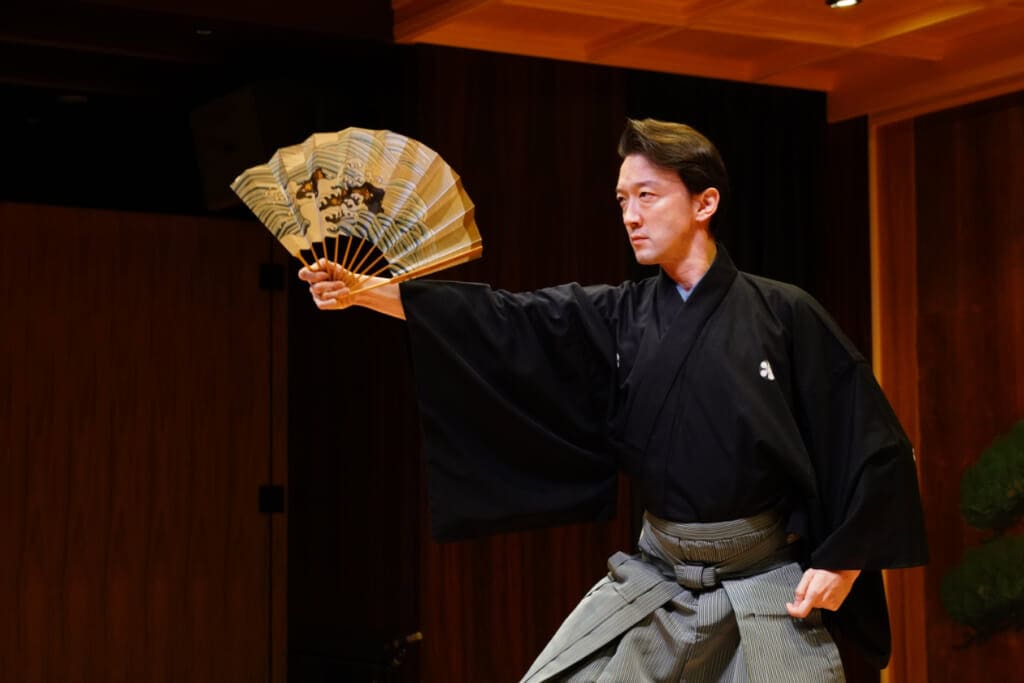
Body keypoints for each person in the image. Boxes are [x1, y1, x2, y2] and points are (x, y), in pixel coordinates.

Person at [299, 119, 928, 681]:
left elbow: (869, 438)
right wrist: (368, 293)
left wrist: (844, 564)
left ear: (705, 202)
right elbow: (505, 319)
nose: (630, 215)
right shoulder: (621, 313)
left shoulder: (783, 312)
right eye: (622, 199)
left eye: (647, 196)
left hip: (764, 579)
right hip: (659, 577)